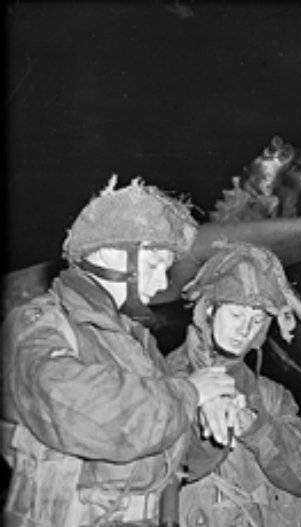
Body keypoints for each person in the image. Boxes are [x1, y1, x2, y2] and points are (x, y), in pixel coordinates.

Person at [1, 177, 237, 527]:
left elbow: (168, 450)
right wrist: (190, 393)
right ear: (113, 253)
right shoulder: (38, 324)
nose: (160, 285)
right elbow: (85, 411)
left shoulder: (136, 341)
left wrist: (210, 423)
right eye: (155, 264)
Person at [165, 242, 301, 527]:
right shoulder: (162, 378)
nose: (244, 330)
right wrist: (202, 413)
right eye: (236, 315)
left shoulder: (272, 397)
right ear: (209, 310)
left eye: (257, 320)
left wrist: (255, 428)